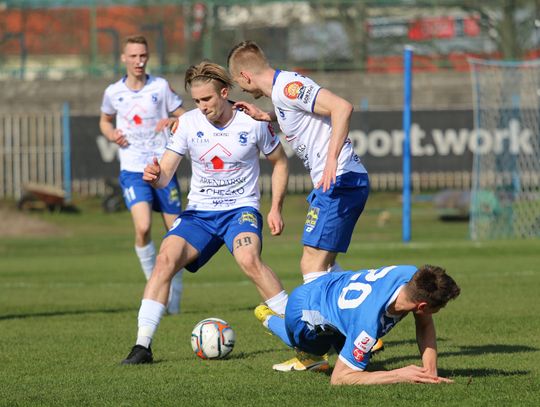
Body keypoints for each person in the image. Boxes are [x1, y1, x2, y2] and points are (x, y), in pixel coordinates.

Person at [121, 61, 290, 364]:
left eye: (207, 99)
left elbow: (280, 162)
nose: (202, 106)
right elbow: (165, 174)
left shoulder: (251, 122)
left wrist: (276, 207)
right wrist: (155, 174)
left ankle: (300, 331)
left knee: (249, 259)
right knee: (164, 260)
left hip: (240, 211)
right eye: (197, 100)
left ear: (224, 92)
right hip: (199, 214)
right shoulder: (188, 123)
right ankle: (142, 346)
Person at [228, 40, 370, 371]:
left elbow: (342, 107)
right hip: (338, 183)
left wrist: (333, 159)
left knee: (311, 266)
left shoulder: (289, 87)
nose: (245, 91)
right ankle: (354, 335)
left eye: (240, 84)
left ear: (245, 76)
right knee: (324, 267)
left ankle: (319, 348)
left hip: (340, 181)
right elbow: (305, 119)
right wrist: (268, 117)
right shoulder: (281, 94)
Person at [254, 264, 461, 384]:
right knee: (314, 351)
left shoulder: (413, 277)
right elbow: (340, 378)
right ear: (423, 306)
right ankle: (269, 318)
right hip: (303, 309)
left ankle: (338, 335)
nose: (438, 312)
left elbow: (424, 324)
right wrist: (400, 374)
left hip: (333, 292)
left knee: (361, 351)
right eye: (439, 307)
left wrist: (430, 371)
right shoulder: (368, 323)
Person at [99, 35, 186, 314]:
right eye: (133, 56)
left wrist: (174, 119)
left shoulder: (159, 87)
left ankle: (175, 289)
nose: (139, 61)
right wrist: (110, 133)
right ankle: (155, 282)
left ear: (148, 57)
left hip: (163, 168)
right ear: (123, 58)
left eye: (143, 56)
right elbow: (104, 120)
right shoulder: (114, 92)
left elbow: (183, 113)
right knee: (143, 227)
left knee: (176, 233)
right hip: (133, 169)